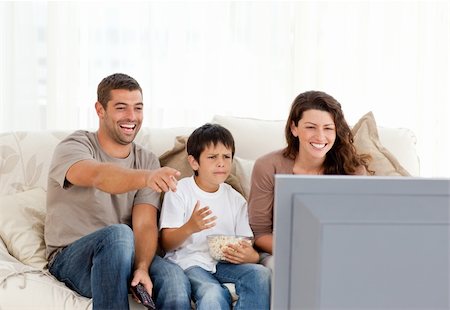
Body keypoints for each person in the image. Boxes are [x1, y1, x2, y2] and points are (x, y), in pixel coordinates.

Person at [44, 73, 191, 310]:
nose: (131, 117)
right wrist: (146, 177)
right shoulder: (75, 145)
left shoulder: (147, 159)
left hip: (128, 257)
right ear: (100, 110)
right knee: (119, 234)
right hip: (72, 258)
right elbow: (99, 176)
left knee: (174, 280)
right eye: (121, 108)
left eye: (138, 108)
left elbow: (144, 225)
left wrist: (142, 267)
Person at [248, 90, 372, 270]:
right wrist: (302, 251)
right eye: (311, 127)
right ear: (294, 128)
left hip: (336, 250)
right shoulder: (267, 166)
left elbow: (358, 229)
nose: (320, 136)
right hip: (282, 251)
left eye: (328, 128)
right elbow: (260, 233)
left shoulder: (352, 170)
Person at [159, 123, 271, 310]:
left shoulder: (236, 199)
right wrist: (191, 226)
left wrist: (250, 256)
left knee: (261, 274)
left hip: (224, 263)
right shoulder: (179, 191)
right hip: (190, 262)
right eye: (212, 157)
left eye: (226, 157)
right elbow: (166, 244)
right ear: (194, 162)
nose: (221, 163)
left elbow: (247, 245)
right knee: (212, 293)